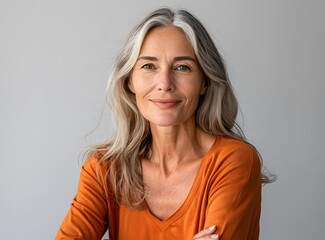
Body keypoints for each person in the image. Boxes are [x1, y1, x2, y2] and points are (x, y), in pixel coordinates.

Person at [56, 7, 275, 240]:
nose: (164, 83)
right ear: (130, 81)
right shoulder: (103, 169)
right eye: (149, 66)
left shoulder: (234, 161)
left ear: (204, 82)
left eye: (182, 67)